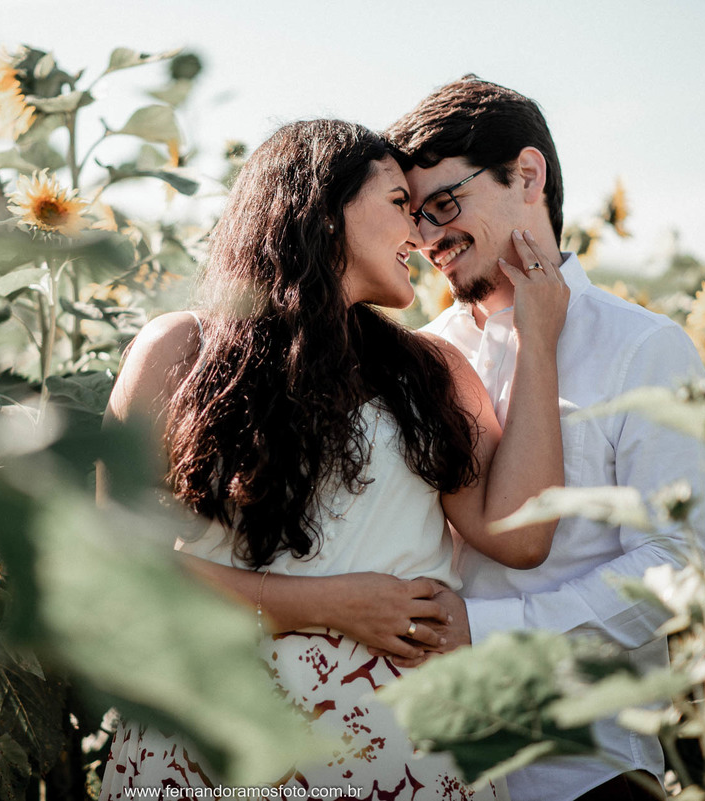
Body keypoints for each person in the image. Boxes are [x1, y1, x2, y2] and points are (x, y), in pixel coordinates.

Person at [98, 118, 569, 800]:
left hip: (403, 765)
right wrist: (326, 604)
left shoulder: (430, 372)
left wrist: (538, 342)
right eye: (399, 205)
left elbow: (522, 536)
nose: (422, 234)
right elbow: (109, 562)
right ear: (321, 211)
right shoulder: (181, 351)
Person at [379, 77, 705, 801]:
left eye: (445, 203)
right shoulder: (424, 357)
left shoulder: (646, 348)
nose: (430, 237)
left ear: (527, 174)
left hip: (584, 767)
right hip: (434, 768)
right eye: (414, 215)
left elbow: (677, 563)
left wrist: (490, 627)